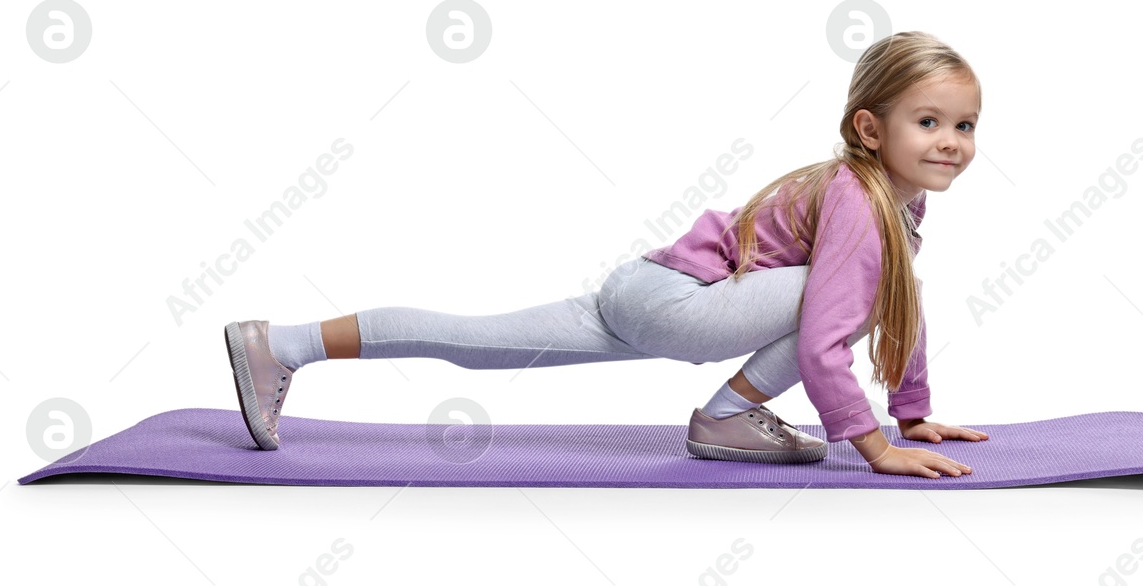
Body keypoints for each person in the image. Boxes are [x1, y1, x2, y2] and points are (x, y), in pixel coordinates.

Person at [224, 30, 990, 479]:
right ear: (868, 128)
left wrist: (914, 412)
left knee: (476, 342)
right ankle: (727, 417)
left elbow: (900, 305)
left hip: (655, 292)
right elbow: (829, 336)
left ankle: (282, 344)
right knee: (849, 293)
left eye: (965, 125)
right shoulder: (859, 201)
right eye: (930, 122)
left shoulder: (891, 199)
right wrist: (876, 447)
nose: (952, 144)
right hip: (678, 306)